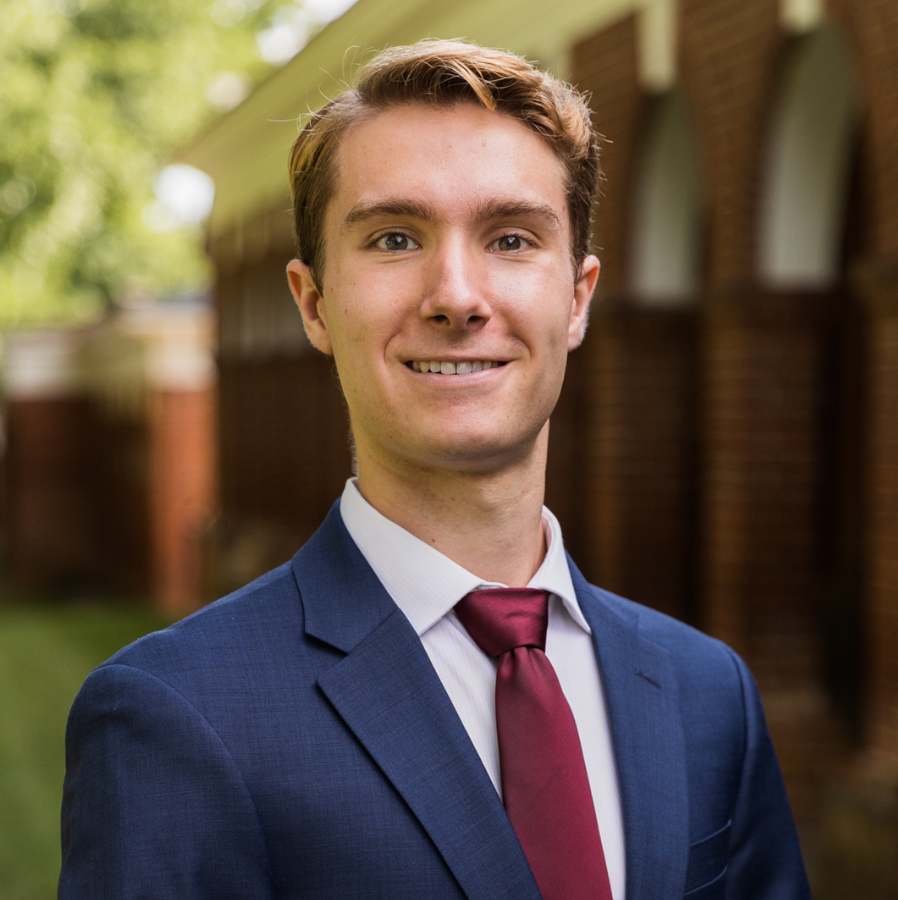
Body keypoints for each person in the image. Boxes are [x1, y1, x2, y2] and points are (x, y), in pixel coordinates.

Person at [59, 39, 811, 900]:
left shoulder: (709, 695)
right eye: (394, 237)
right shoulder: (175, 716)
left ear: (577, 297)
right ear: (314, 304)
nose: (457, 295)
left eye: (512, 238)